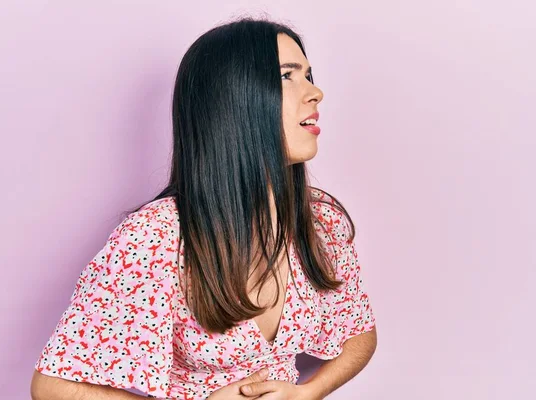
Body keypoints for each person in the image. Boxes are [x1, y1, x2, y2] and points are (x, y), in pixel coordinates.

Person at [30, 16, 377, 400]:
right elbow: (54, 387)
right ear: (233, 99)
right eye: (287, 76)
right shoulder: (156, 236)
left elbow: (360, 334)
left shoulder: (320, 220)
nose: (316, 92)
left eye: (309, 75)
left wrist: (308, 391)